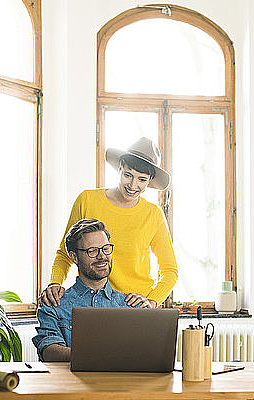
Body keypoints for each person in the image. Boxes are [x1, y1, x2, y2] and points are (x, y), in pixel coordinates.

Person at [41, 137, 178, 309]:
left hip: (134, 308)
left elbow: (170, 271)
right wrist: (55, 283)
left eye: (142, 179)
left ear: (149, 181)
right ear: (119, 168)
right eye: (128, 175)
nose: (133, 185)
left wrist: (151, 301)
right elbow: (65, 253)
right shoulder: (87, 200)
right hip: (92, 302)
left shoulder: (153, 214)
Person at [32, 218, 134, 361]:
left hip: (122, 383)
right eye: (92, 251)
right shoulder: (54, 304)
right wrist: (96, 356)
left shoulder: (131, 305)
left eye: (105, 248)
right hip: (72, 382)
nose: (102, 256)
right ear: (74, 257)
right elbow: (48, 351)